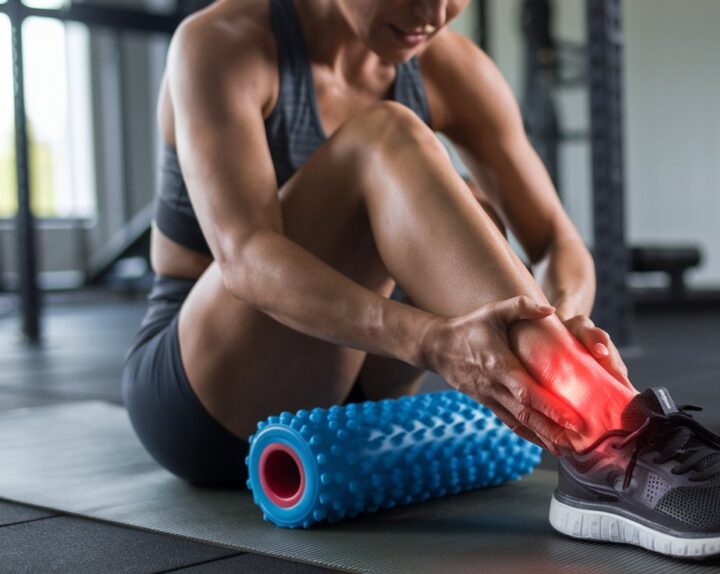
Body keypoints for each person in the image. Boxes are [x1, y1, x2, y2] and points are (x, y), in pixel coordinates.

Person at [122, 0, 636, 488]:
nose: (432, 16)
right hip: (202, 400)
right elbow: (245, 261)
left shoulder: (451, 66)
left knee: (477, 212)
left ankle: (610, 427)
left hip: (354, 389)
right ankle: (613, 444)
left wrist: (561, 326)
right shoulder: (221, 43)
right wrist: (431, 341)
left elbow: (556, 241)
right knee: (386, 135)